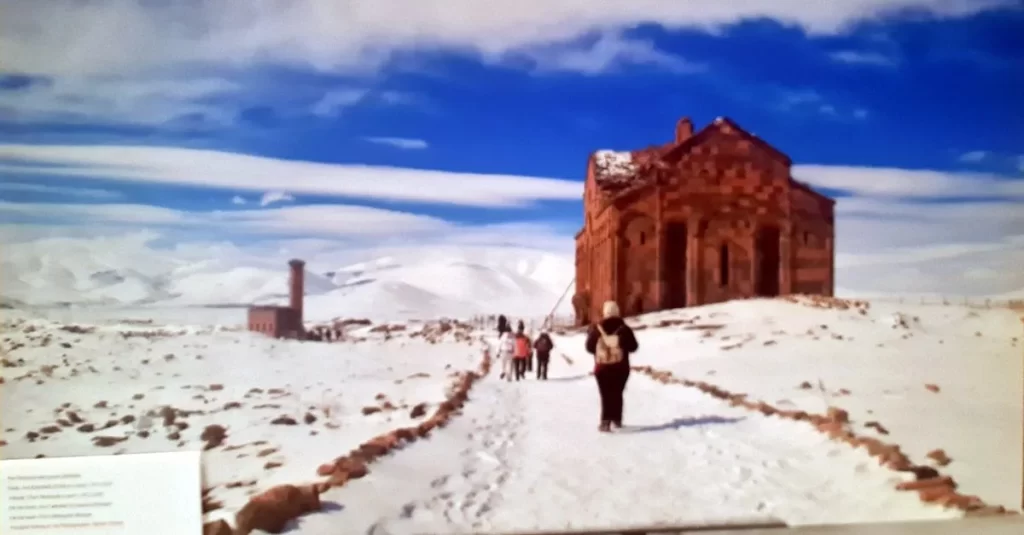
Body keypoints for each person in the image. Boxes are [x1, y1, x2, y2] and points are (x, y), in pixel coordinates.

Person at [584, 300, 639, 433]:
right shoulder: (624, 329)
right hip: (621, 367)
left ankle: (605, 422)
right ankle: (617, 419)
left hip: (602, 368)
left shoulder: (597, 328)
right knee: (617, 393)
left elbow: (589, 347)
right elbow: (634, 347)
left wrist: (602, 350)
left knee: (605, 394)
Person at [496, 317, 515, 381]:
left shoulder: (503, 335)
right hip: (510, 352)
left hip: (503, 351)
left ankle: (503, 371)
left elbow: (499, 344)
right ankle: (509, 377)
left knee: (503, 363)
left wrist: (498, 352)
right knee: (510, 365)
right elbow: (514, 344)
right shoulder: (513, 335)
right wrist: (515, 352)